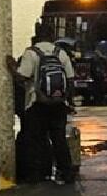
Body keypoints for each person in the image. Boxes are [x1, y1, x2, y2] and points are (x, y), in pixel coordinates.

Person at [16, 22, 77, 184]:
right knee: (59, 139)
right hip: (58, 104)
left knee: (36, 139)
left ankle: (37, 174)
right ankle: (66, 172)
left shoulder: (31, 53)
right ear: (52, 36)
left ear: (36, 36)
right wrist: (68, 101)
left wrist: (12, 68)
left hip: (37, 103)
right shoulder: (61, 53)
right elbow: (70, 79)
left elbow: (22, 77)